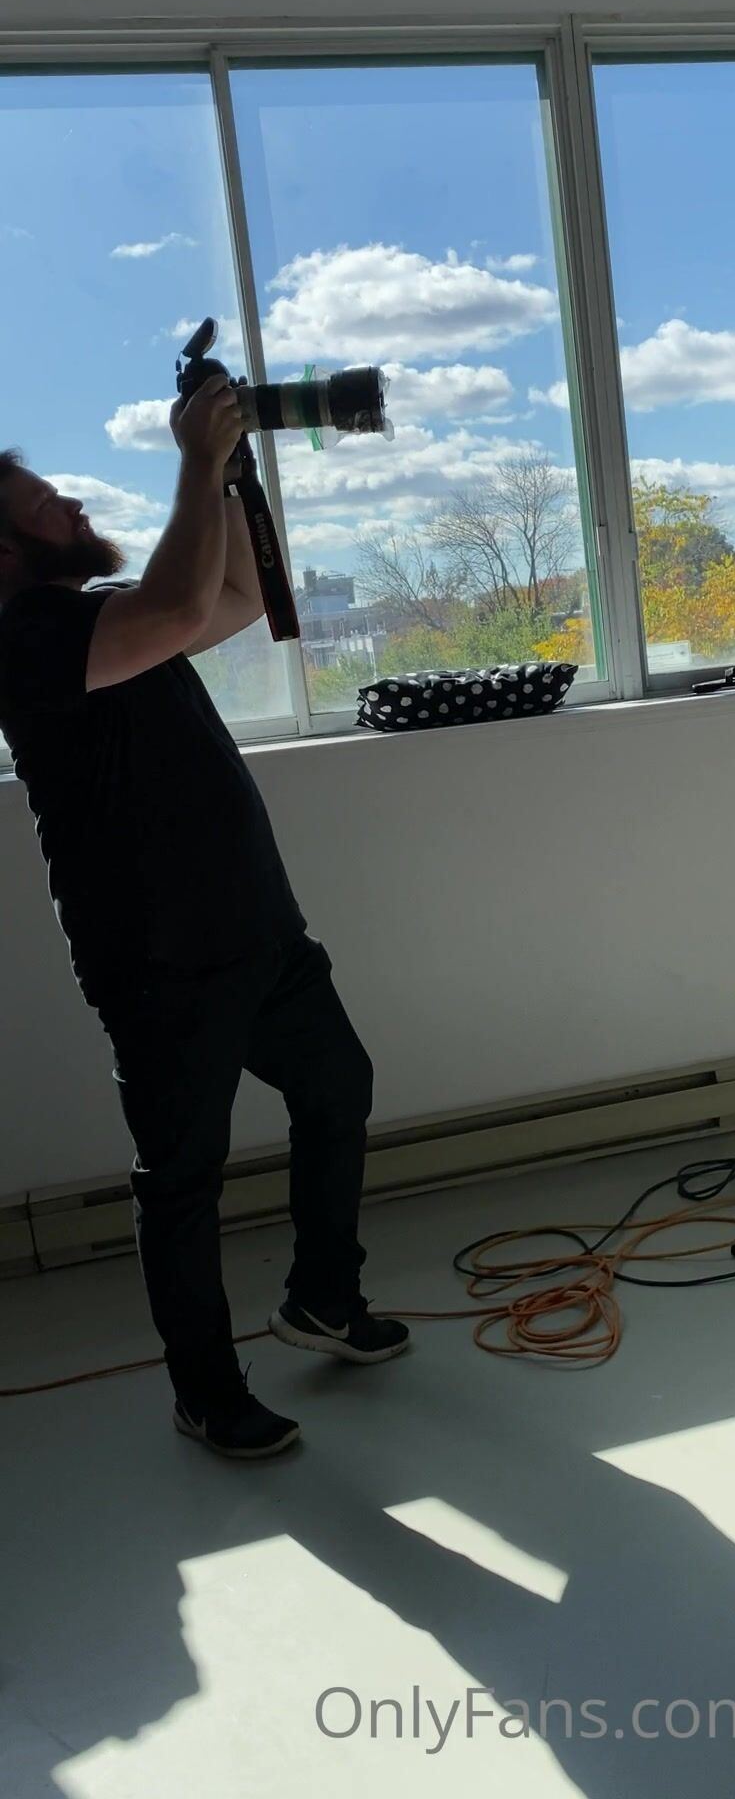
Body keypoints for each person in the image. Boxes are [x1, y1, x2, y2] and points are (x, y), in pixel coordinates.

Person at [0, 376, 409, 1460]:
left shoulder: (100, 616)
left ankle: (323, 1299)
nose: (74, 506)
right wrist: (190, 457)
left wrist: (228, 476)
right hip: (157, 960)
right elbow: (184, 610)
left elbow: (230, 601)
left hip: (257, 931)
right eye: (45, 506)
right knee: (182, 1180)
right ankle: (207, 1392)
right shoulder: (22, 640)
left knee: (338, 1088)